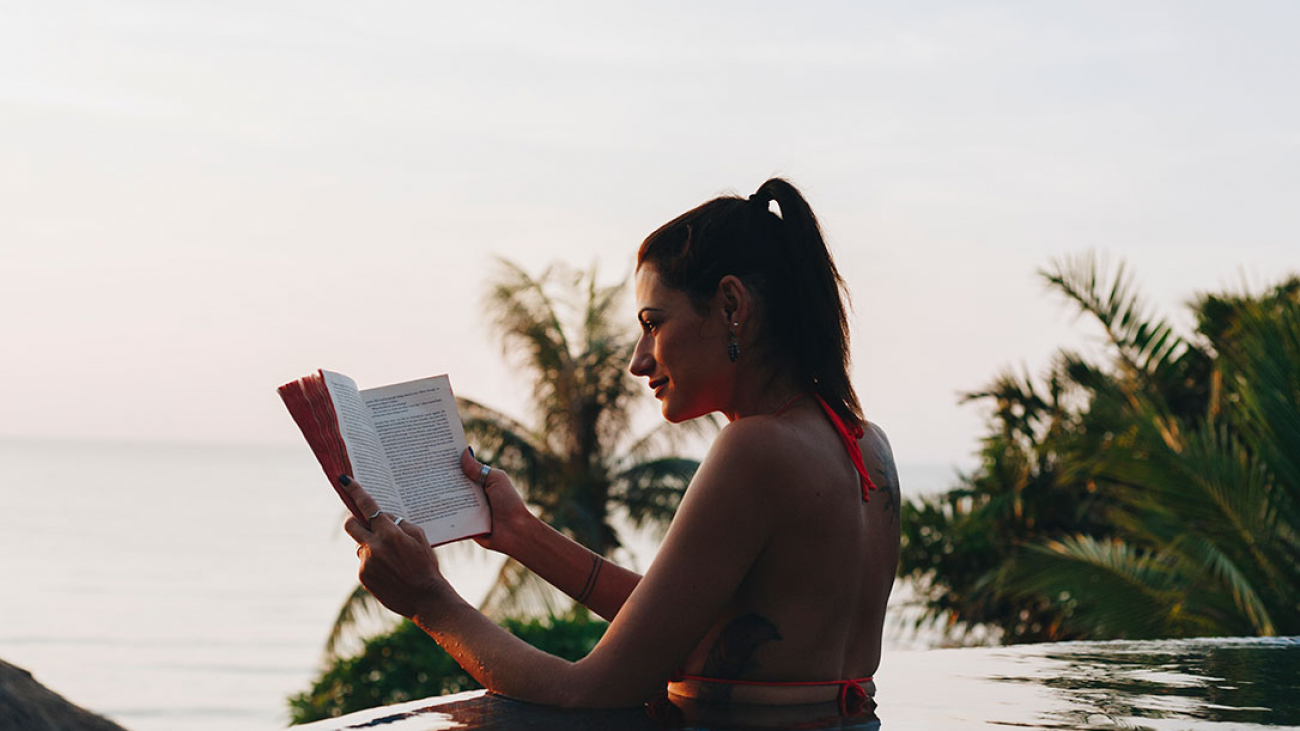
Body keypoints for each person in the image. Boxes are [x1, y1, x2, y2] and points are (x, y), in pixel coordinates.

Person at [341, 178, 902, 724]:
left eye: (653, 324)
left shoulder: (756, 447)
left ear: (731, 305)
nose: (639, 360)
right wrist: (520, 533)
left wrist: (428, 601)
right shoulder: (865, 442)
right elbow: (683, 626)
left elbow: (590, 691)